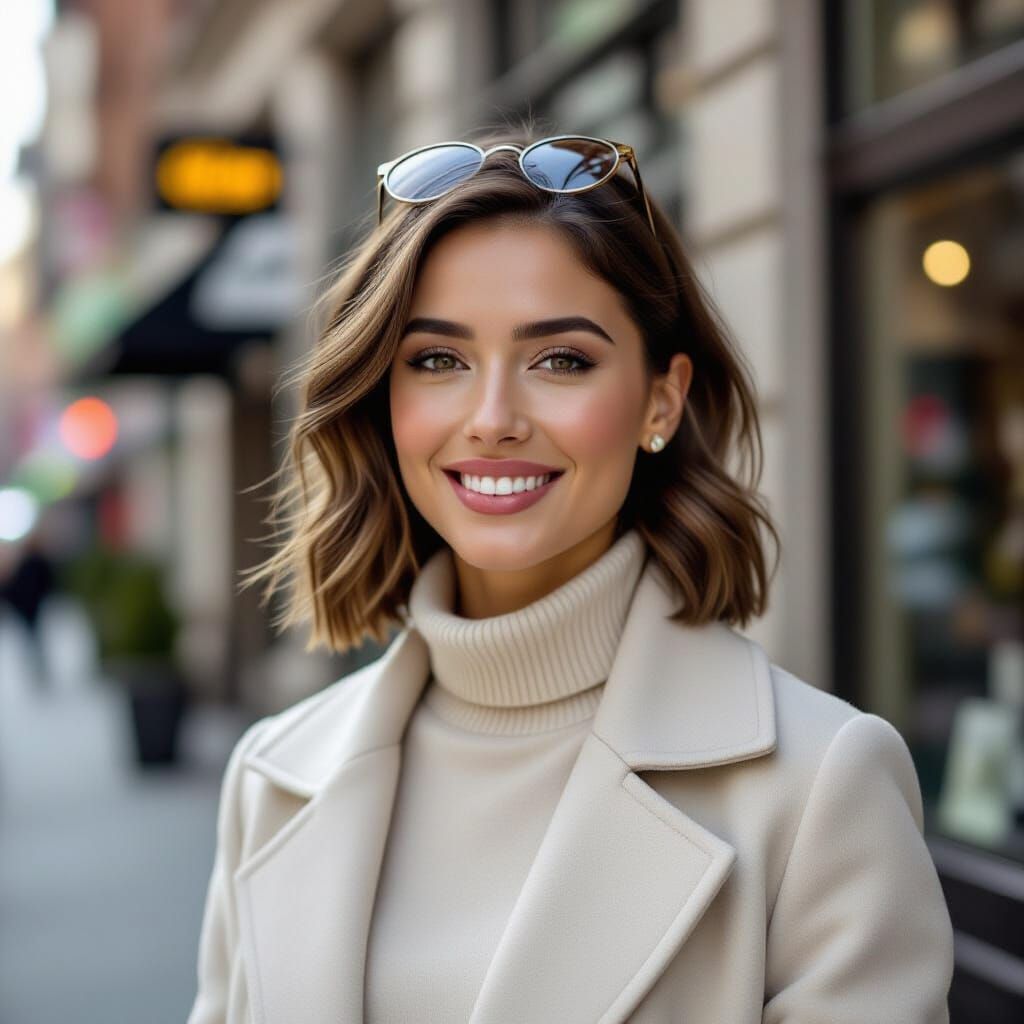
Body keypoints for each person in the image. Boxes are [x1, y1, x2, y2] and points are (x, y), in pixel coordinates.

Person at [186, 127, 954, 1023]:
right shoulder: (272, 779)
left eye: (561, 360)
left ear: (661, 399)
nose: (493, 418)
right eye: (437, 360)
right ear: (382, 399)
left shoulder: (823, 784)